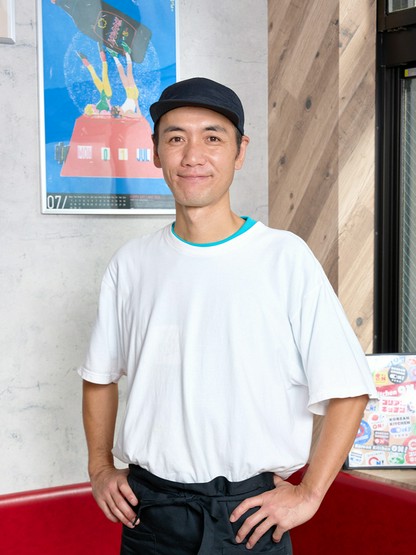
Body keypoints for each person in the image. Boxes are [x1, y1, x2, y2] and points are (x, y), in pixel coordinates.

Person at [79, 77, 377, 554]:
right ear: (155, 153)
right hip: (149, 514)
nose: (192, 155)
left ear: (240, 151)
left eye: (213, 138)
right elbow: (99, 377)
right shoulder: (131, 264)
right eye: (176, 138)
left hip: (249, 517)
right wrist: (99, 468)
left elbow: (348, 388)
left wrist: (309, 493)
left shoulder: (284, 258)